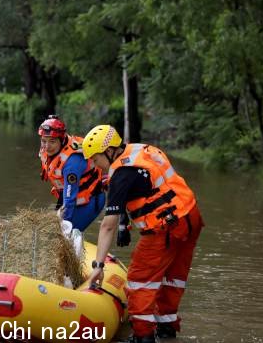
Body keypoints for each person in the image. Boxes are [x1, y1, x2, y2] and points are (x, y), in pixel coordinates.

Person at [81, 125, 204, 342]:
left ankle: (142, 335)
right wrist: (124, 224)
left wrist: (98, 267)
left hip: (165, 227)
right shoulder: (141, 150)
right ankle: (166, 329)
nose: (93, 165)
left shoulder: (121, 174)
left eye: (95, 159)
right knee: (172, 278)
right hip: (190, 216)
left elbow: (106, 225)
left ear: (109, 151)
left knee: (139, 280)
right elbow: (145, 187)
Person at [38, 115, 105, 233]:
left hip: (90, 201)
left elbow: (69, 202)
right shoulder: (49, 149)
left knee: (63, 233)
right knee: (53, 231)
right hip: (70, 196)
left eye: (52, 142)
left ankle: (72, 242)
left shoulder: (71, 163)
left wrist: (63, 225)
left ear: (62, 139)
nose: (47, 147)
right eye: (44, 141)